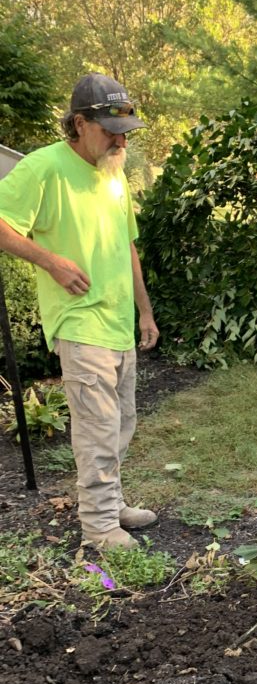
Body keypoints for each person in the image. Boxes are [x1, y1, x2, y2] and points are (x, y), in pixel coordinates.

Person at [0, 73, 160, 549]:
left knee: (120, 423)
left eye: (125, 129)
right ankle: (98, 526)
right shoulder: (43, 168)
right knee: (97, 426)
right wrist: (51, 262)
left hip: (117, 321)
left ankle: (110, 503)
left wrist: (145, 313)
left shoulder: (113, 174)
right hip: (79, 319)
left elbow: (126, 247)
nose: (120, 138)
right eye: (111, 128)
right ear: (78, 123)